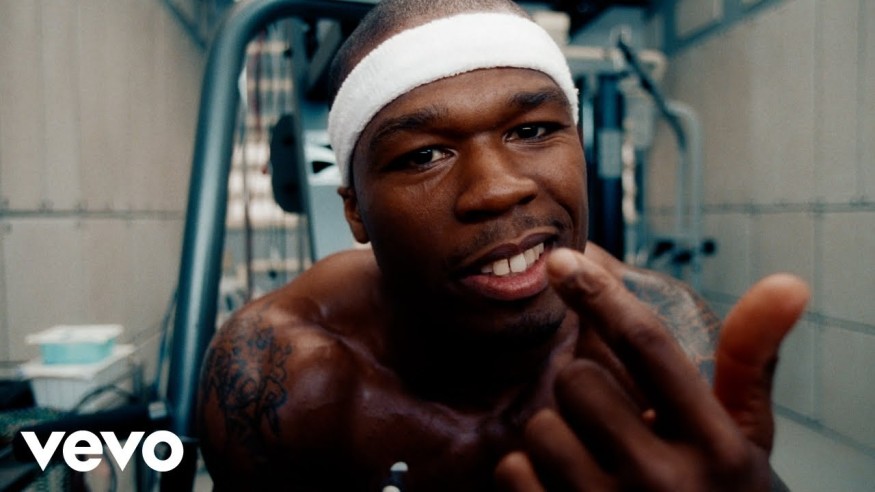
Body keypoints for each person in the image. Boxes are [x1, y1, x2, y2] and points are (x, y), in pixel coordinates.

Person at [197, 0, 810, 490]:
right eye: (424, 155)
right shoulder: (279, 378)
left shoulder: (663, 343)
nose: (497, 189)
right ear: (355, 209)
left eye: (533, 130)